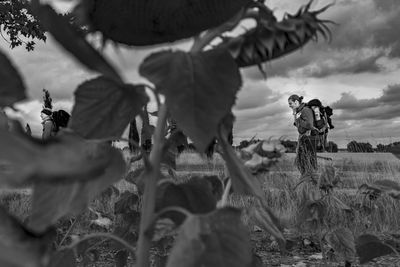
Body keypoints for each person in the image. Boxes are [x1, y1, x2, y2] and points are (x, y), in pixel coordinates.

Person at [288, 94, 319, 180]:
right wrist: (296, 116)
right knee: (301, 162)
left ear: (296, 102)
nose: (289, 106)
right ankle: (306, 180)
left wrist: (298, 119)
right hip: (304, 139)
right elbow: (299, 127)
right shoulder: (298, 112)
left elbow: (309, 125)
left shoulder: (306, 110)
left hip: (309, 139)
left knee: (308, 163)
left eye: (290, 103)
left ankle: (311, 181)